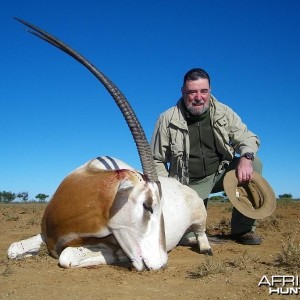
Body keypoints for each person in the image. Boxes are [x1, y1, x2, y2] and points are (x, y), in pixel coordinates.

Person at [150, 68, 263, 245]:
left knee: (254, 163)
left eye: (204, 91)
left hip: (220, 175)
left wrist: (246, 157)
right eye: (192, 92)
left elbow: (248, 138)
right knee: (186, 238)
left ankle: (243, 230)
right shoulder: (166, 119)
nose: (198, 97)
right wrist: (170, 190)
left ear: (210, 91)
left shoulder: (224, 111)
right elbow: (155, 159)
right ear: (183, 92)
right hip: (188, 185)